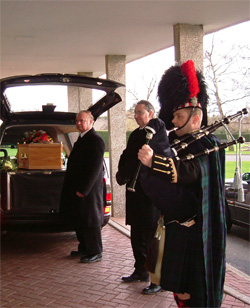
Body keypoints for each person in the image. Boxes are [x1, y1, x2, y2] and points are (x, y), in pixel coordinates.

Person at [138, 60, 227, 307]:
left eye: (179, 116)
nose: (174, 121)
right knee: (180, 291)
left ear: (196, 118)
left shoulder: (208, 144)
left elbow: (190, 171)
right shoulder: (180, 143)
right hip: (177, 227)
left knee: (191, 292)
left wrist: (154, 162)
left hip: (197, 234)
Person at [116, 100, 162, 294]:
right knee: (137, 233)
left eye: (139, 112)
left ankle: (156, 279)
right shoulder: (136, 134)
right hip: (134, 192)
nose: (136, 116)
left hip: (150, 193)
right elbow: (127, 155)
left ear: (150, 113)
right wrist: (121, 174)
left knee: (152, 237)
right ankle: (140, 270)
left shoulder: (159, 133)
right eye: (134, 113)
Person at [60, 110, 105, 263]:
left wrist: (84, 190)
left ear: (91, 122)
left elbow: (95, 168)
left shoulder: (96, 140)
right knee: (81, 219)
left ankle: (96, 251)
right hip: (78, 188)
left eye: (82, 120)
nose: (79, 123)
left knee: (91, 220)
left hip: (89, 190)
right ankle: (84, 248)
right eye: (77, 120)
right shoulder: (82, 139)